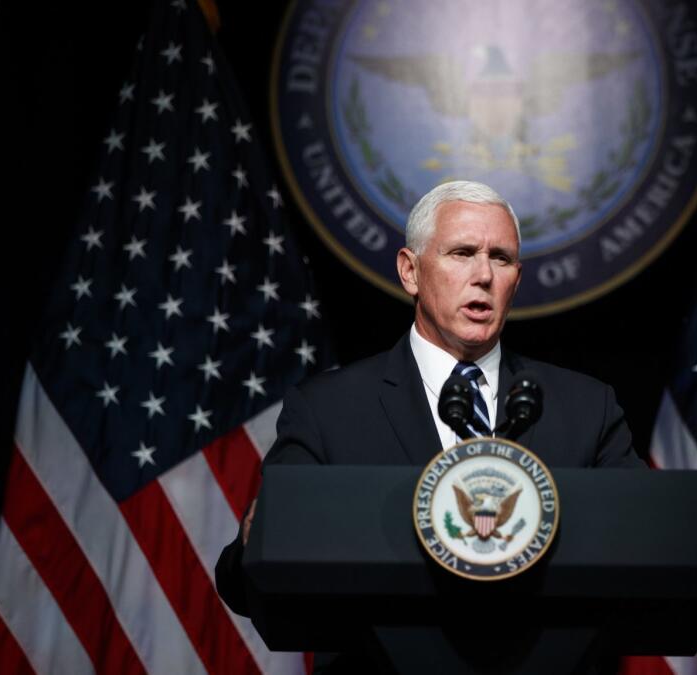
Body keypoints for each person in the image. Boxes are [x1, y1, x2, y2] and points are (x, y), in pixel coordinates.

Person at [215, 180, 645, 670]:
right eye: (462, 253)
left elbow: (648, 542)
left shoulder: (586, 408)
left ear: (517, 280)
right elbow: (243, 579)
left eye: (500, 258)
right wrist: (261, 534)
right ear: (410, 271)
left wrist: (680, 529)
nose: (483, 274)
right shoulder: (329, 410)